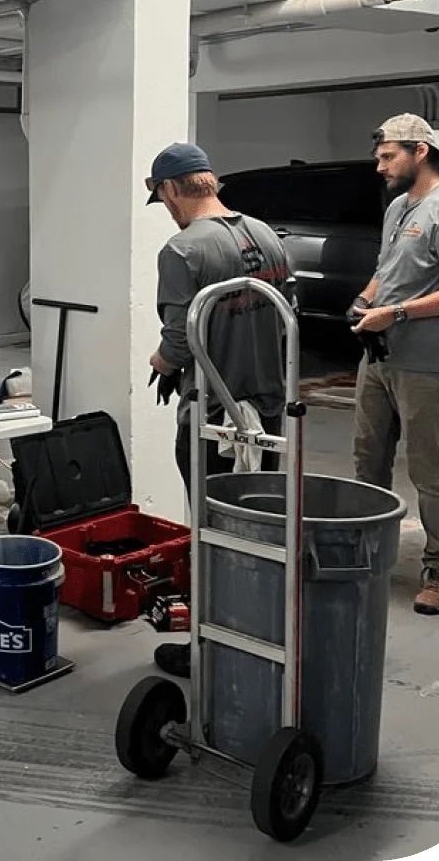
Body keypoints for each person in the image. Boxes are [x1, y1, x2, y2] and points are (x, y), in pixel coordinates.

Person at [145, 142, 290, 678]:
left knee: (208, 529)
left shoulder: (182, 250)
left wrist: (161, 364)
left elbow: (181, 341)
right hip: (269, 412)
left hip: (214, 415)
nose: (168, 210)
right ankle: (259, 632)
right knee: (257, 526)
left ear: (170, 190)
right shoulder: (267, 234)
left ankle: (210, 647)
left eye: (163, 200)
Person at [350, 114, 439, 616]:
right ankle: (366, 552)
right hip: (381, 357)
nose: (381, 166)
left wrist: (398, 312)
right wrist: (365, 301)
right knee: (368, 461)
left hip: (427, 364)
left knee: (427, 467)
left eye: (388, 156)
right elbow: (386, 270)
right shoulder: (398, 208)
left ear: (420, 152)